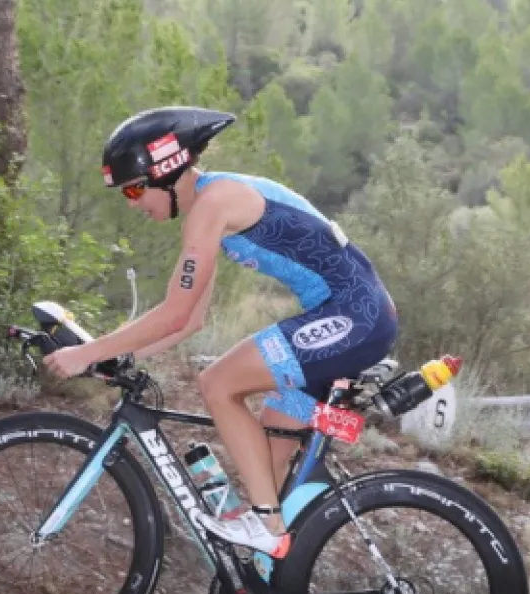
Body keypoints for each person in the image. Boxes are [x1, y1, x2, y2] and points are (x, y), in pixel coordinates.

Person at [43, 105, 400, 560]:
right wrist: (119, 356)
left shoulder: (214, 203)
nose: (132, 203)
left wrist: (87, 352)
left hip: (355, 315)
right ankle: (272, 587)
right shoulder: (210, 207)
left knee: (218, 384)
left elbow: (174, 313)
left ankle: (267, 526)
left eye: (134, 189)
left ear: (166, 172)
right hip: (351, 318)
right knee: (267, 465)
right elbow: (191, 319)